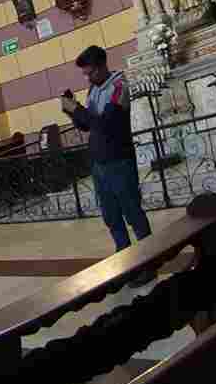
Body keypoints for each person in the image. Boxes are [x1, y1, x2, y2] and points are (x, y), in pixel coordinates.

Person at [62, 45, 151, 250]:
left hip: (119, 160)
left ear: (102, 66)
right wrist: (70, 109)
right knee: (111, 215)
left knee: (132, 212)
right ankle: (125, 258)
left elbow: (105, 125)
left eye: (90, 72)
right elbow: (87, 125)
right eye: (85, 74)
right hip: (99, 163)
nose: (87, 78)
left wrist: (77, 109)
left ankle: (148, 259)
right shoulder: (93, 88)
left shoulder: (119, 86)